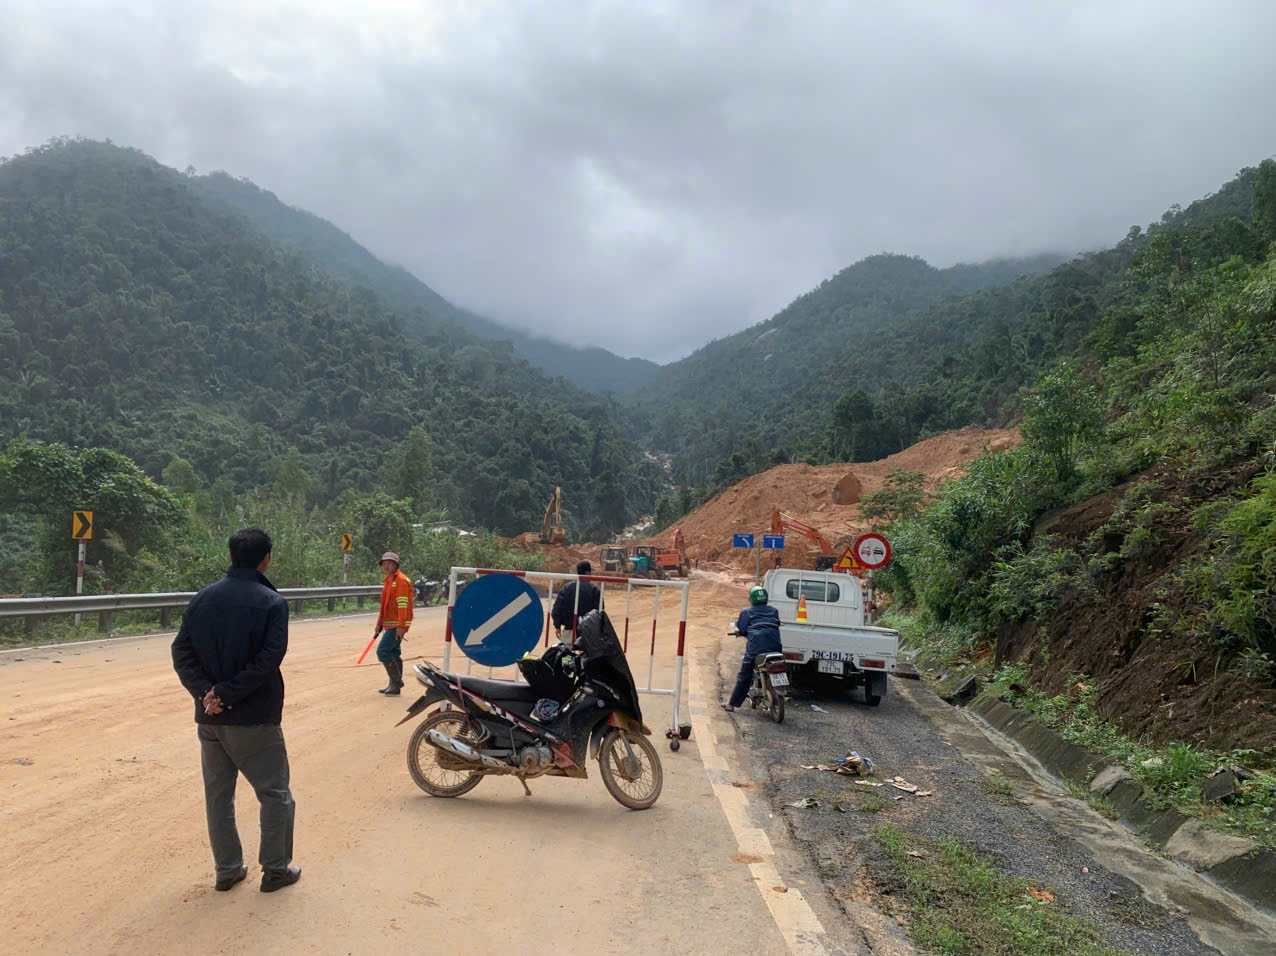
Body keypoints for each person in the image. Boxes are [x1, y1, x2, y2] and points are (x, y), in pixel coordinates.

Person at [171, 528, 301, 894]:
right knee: (275, 793)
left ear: (231, 556)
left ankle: (227, 869)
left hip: (210, 719)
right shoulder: (272, 603)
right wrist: (226, 694)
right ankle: (275, 869)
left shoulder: (202, 599)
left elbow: (181, 652)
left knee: (218, 795)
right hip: (254, 717)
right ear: (266, 559)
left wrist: (206, 694)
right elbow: (267, 662)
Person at [723, 585, 782, 711]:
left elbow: (742, 629)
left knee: (744, 676)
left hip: (756, 648)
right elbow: (776, 623)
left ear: (751, 599)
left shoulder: (746, 612)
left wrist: (740, 632)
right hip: (775, 647)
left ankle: (732, 704)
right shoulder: (774, 611)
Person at [373, 551, 414, 695]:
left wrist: (402, 627)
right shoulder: (388, 580)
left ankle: (397, 682)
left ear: (396, 564)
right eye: (384, 563)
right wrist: (379, 624)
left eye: (390, 563)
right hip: (389, 624)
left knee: (383, 651)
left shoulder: (401, 581)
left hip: (397, 625)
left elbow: (403, 605)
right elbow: (384, 605)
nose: (386, 565)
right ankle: (394, 685)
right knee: (393, 653)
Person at [551, 560, 601, 636]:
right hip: (588, 633)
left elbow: (557, 609)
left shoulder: (566, 588)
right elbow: (599, 612)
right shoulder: (594, 590)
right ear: (587, 573)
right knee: (585, 648)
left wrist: (557, 626)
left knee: (567, 647)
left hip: (568, 630)